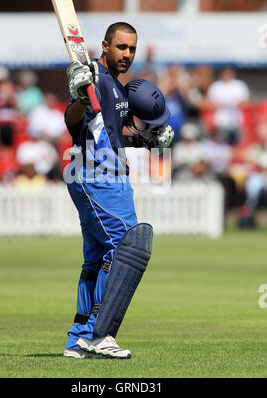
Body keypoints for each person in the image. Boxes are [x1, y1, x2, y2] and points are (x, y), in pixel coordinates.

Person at [63, 22, 174, 359]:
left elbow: (108, 133)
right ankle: (101, 333)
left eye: (132, 49)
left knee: (96, 259)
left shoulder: (117, 87)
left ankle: (79, 339)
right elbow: (72, 121)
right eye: (121, 47)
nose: (127, 55)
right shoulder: (92, 76)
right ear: (106, 46)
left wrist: (143, 139)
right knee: (128, 247)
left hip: (107, 173)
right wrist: (81, 96)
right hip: (97, 174)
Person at [207, 67, 250, 145]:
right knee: (220, 144)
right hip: (221, 121)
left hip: (237, 121)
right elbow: (210, 103)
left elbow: (246, 102)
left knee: (238, 144)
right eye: (225, 73)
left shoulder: (239, 85)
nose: (227, 75)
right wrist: (223, 104)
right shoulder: (216, 86)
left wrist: (235, 103)